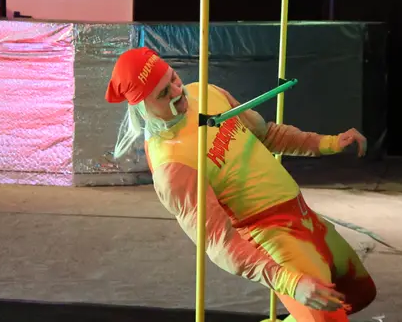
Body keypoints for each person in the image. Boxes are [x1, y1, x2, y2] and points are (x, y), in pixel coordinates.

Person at [105, 47, 377, 322]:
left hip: (302, 214)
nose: (177, 91)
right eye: (163, 93)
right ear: (142, 108)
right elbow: (219, 242)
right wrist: (289, 282)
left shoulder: (206, 93)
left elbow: (267, 135)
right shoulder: (171, 166)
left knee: (359, 295)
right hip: (273, 236)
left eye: (174, 78)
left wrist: (329, 143)